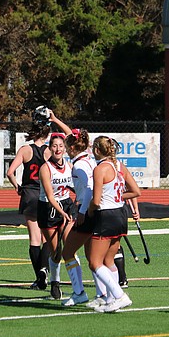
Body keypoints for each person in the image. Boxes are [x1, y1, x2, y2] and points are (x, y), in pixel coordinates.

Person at [6, 109, 69, 290]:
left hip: (28, 194)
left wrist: (17, 186)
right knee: (47, 237)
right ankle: (44, 271)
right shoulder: (50, 151)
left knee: (34, 238)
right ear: (48, 132)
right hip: (45, 196)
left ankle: (40, 276)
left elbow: (10, 172)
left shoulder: (25, 150)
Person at [87, 136, 141, 313]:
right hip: (120, 214)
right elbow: (135, 191)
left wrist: (88, 211)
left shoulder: (100, 169)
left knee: (95, 262)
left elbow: (96, 201)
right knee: (108, 259)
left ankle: (119, 296)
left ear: (96, 150)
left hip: (105, 215)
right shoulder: (119, 166)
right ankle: (111, 300)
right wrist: (117, 196)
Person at [59, 129, 96, 307]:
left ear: (73, 148)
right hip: (94, 210)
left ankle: (79, 292)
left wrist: (81, 210)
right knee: (93, 257)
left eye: (67, 147)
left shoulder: (80, 165)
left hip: (87, 211)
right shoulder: (88, 159)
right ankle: (103, 294)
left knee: (67, 252)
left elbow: (90, 186)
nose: (65, 151)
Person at [37, 132, 75, 300]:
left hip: (66, 205)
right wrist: (62, 213)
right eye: (54, 146)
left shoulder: (70, 165)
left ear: (65, 148)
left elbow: (73, 186)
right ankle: (55, 282)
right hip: (49, 209)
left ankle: (77, 286)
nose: (58, 149)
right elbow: (50, 196)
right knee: (56, 251)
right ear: (49, 148)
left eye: (61, 146)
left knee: (70, 247)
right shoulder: (45, 168)